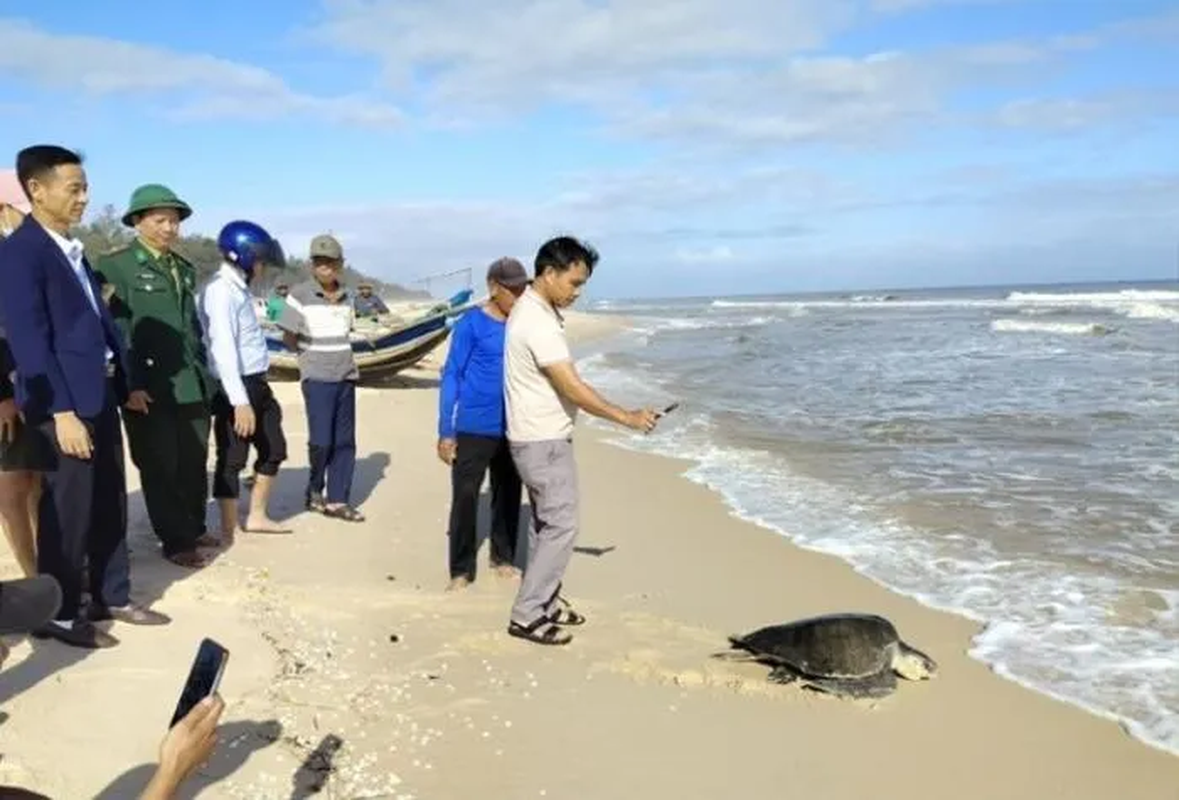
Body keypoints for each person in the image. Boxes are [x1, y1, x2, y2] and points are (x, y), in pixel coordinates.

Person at [0, 145, 169, 649]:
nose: (84, 198)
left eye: (85, 187)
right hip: (62, 405)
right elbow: (30, 338)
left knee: (108, 501)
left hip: (99, 396)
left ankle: (111, 595)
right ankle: (62, 612)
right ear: (37, 189)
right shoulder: (20, 253)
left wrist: (127, 384)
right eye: (74, 188)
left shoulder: (71, 249)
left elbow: (96, 323)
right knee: (65, 513)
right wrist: (60, 412)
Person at [503, 236, 660, 646]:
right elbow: (572, 387)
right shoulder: (537, 321)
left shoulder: (535, 311)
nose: (577, 292)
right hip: (541, 440)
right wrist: (627, 417)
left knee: (545, 525)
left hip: (534, 437)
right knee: (561, 527)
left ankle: (545, 603)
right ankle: (526, 614)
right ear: (548, 273)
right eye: (574, 283)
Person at [95, 184, 218, 568]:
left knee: (194, 460)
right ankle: (177, 540)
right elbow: (115, 333)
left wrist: (205, 376)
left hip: (190, 381)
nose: (169, 228)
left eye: (174, 220)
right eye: (160, 220)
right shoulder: (115, 267)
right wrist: (128, 385)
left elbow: (192, 329)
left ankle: (194, 526)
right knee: (160, 464)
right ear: (138, 222)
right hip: (147, 386)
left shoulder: (181, 267)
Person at [437, 257, 528, 590]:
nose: (519, 295)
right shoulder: (471, 323)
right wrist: (446, 430)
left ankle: (503, 558)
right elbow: (452, 375)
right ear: (494, 287)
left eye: (523, 288)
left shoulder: (524, 323)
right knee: (465, 496)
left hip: (516, 425)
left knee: (508, 494)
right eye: (513, 289)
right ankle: (460, 570)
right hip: (474, 426)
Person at [199, 219, 291, 539]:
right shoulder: (220, 291)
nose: (263, 268)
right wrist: (239, 402)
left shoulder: (240, 290)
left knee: (274, 449)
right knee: (232, 457)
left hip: (257, 382)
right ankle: (228, 528)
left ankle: (256, 516)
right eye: (262, 260)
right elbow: (223, 350)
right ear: (246, 257)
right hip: (235, 386)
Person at [275, 234, 365, 521]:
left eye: (330, 262)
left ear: (340, 264)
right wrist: (307, 358)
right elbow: (288, 336)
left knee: (345, 441)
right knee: (321, 441)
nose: (325, 267)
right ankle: (315, 488)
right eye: (319, 262)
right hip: (316, 377)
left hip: (346, 375)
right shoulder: (299, 295)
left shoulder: (349, 296)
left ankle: (338, 500)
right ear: (312, 265)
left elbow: (348, 331)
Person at [0, 192, 43, 580]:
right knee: (12, 488)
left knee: (39, 483)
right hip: (7, 398)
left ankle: (49, 567)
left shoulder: (22, 255)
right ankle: (32, 574)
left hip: (35, 388)